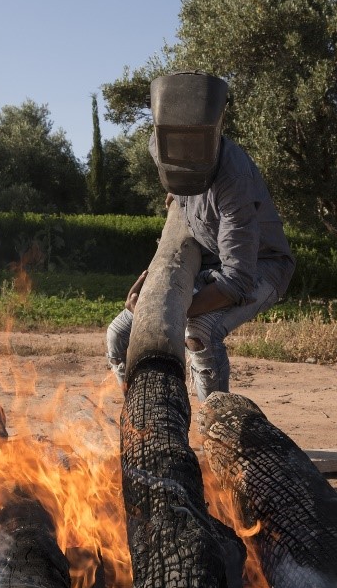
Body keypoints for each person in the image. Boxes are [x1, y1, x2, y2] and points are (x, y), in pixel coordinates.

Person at [106, 71, 294, 400]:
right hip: (207, 258)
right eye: (174, 141)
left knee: (200, 332)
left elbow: (237, 280)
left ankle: (215, 427)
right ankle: (142, 418)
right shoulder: (157, 145)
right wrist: (177, 197)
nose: (186, 153)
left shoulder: (233, 178)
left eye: (197, 142)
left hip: (261, 266)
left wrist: (163, 309)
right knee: (118, 335)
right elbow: (177, 181)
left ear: (216, 128)